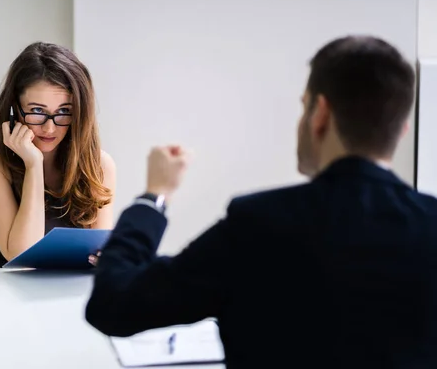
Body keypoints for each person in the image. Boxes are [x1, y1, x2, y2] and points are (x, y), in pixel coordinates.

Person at [85, 35, 437, 368]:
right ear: (401, 128)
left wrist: (154, 196)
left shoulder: (257, 223)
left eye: (303, 107)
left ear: (321, 115)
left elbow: (113, 304)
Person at [0, 42, 116, 268]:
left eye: (64, 111)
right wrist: (33, 165)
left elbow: (100, 257)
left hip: (73, 298)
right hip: (4, 299)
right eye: (37, 111)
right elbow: (21, 254)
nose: (50, 128)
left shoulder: (99, 165)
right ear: (13, 109)